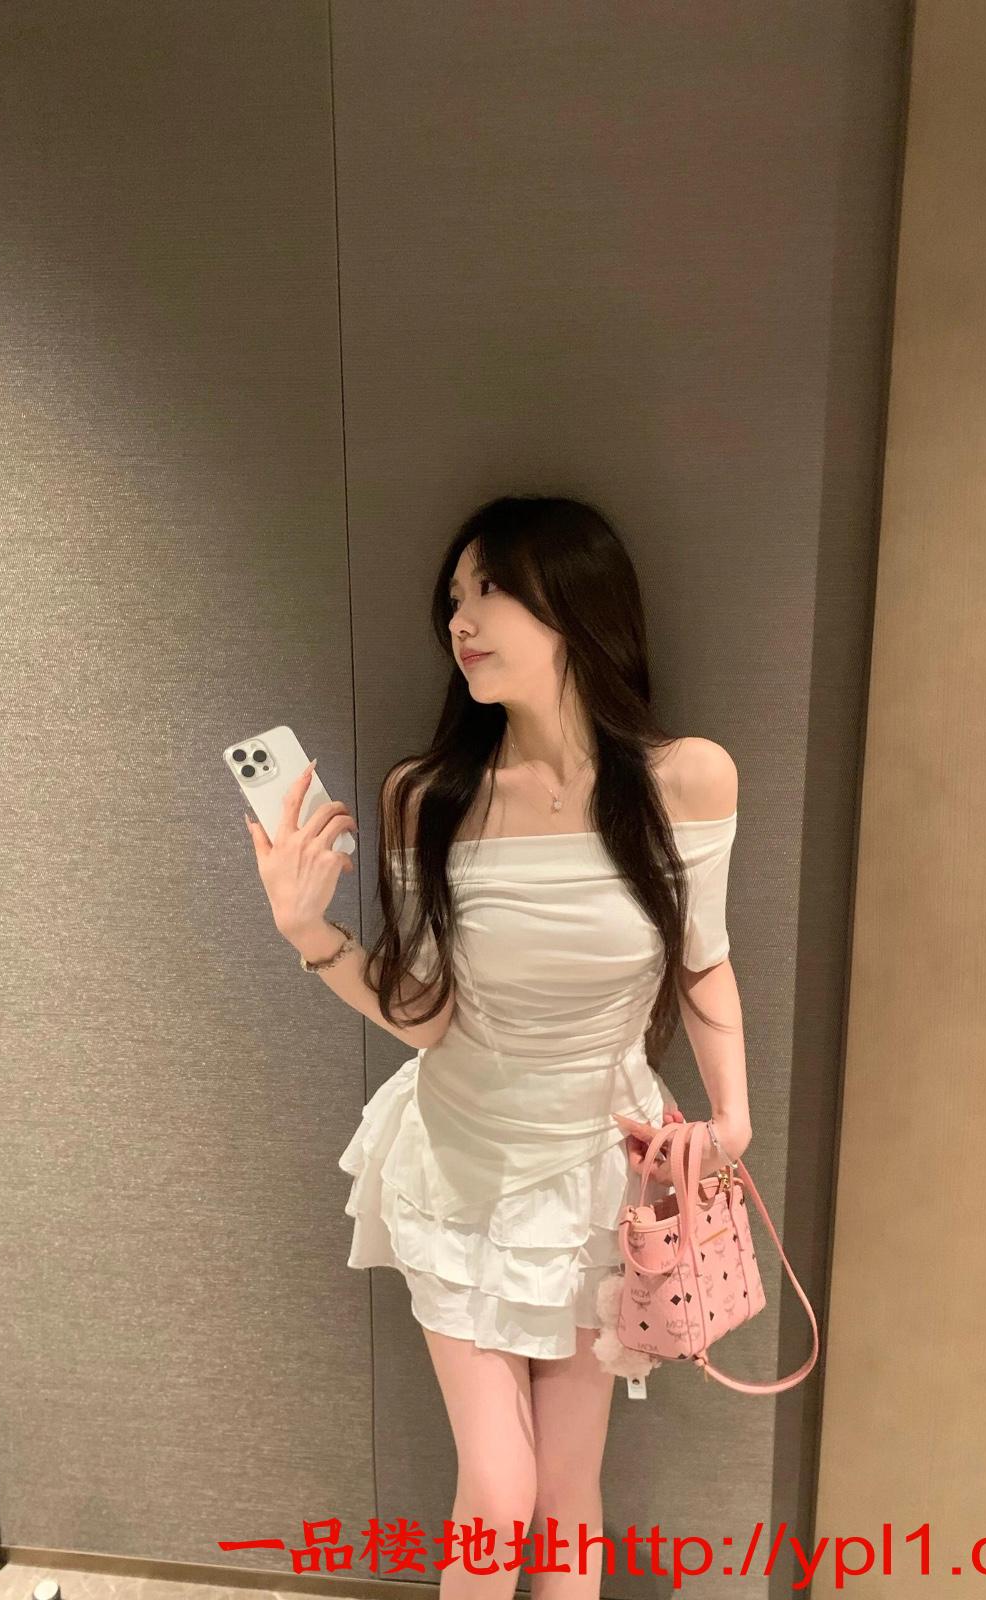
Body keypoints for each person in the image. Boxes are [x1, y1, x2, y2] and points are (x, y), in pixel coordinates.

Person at [245, 495, 751, 1600]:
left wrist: (732, 1118)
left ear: (575, 606)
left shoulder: (687, 780)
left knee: (569, 1487)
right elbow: (427, 1015)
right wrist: (309, 933)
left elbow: (703, 963)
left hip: (600, 1168)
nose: (460, 621)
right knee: (501, 1486)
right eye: (454, 597)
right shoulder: (428, 795)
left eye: (490, 590)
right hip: (459, 1163)